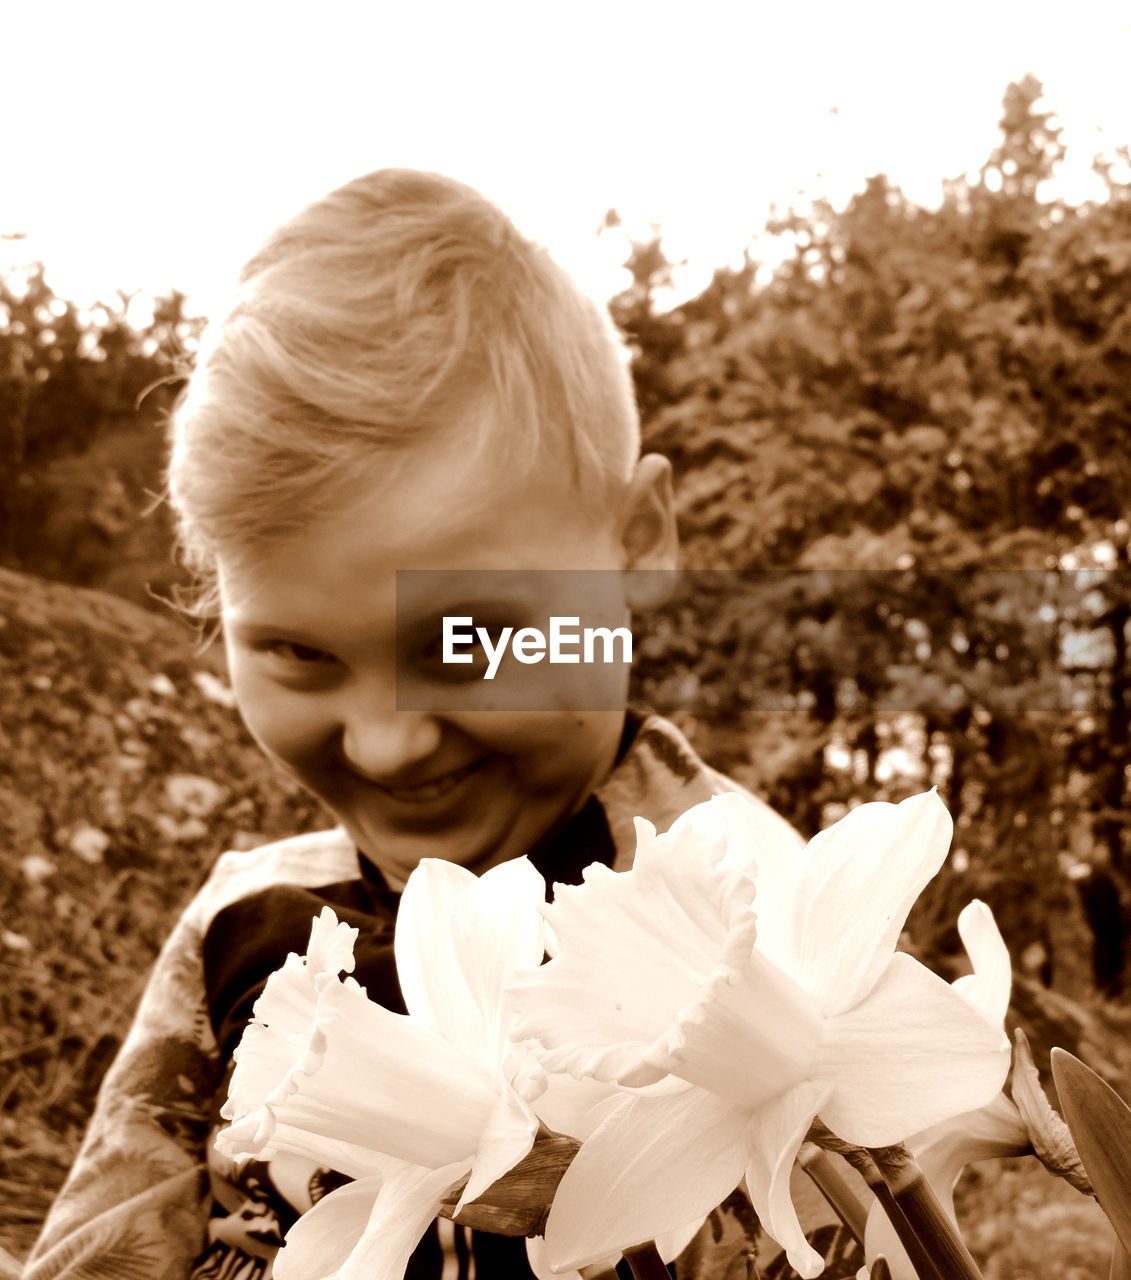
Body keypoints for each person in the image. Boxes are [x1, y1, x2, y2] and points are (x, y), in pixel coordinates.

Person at [24, 170, 860, 1280]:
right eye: (298, 651)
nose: (387, 742)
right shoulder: (244, 926)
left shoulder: (771, 928)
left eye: (465, 638)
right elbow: (99, 1254)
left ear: (639, 545)